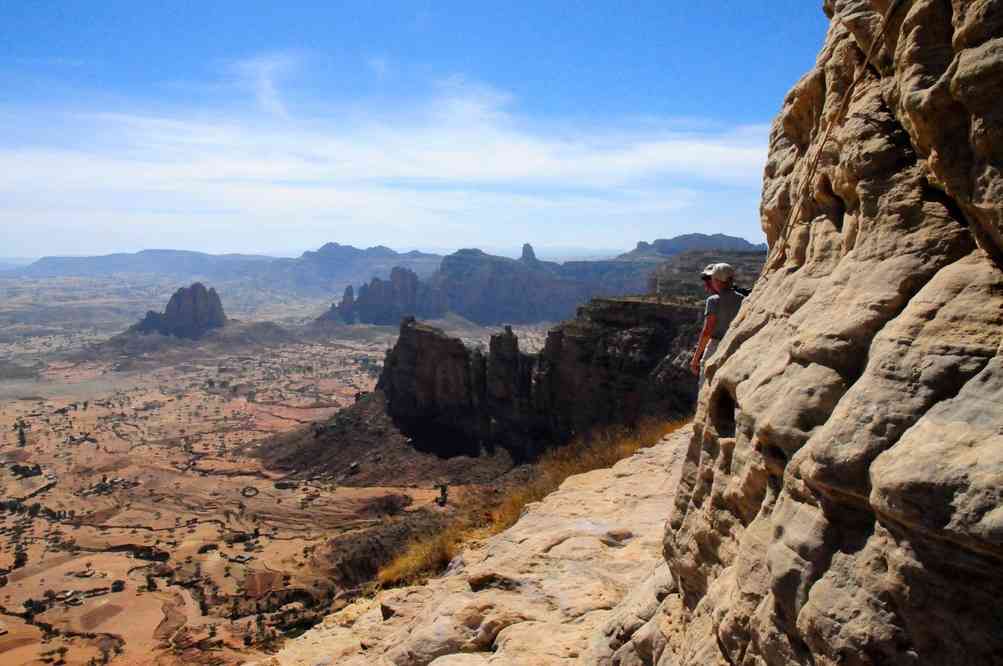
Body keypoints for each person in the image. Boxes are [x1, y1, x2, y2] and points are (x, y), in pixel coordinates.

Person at [690, 263, 744, 387]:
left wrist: (695, 359)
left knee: (705, 384)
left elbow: (707, 331)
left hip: (715, 346)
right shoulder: (742, 298)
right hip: (733, 346)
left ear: (716, 281)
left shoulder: (713, 300)